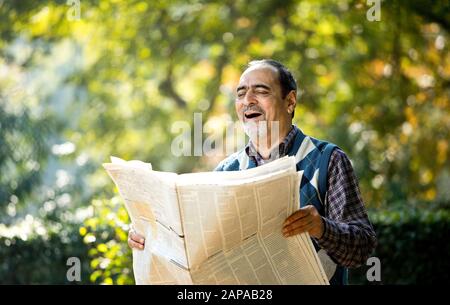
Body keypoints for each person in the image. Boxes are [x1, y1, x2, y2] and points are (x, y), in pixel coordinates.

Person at [128, 59, 377, 284]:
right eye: (241, 93)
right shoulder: (226, 172)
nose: (248, 100)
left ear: (290, 101)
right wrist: (151, 239)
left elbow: (362, 249)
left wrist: (320, 227)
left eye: (261, 91)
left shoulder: (328, 160)